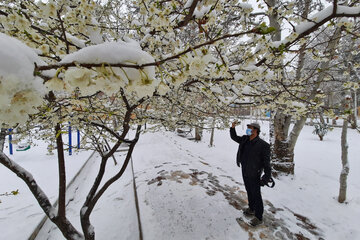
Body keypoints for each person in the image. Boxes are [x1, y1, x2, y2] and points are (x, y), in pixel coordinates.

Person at [230, 121, 271, 226]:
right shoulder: (245, 139)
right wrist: (233, 127)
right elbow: (234, 137)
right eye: (247, 127)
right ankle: (251, 208)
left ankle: (258, 216)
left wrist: (266, 176)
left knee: (256, 194)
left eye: (250, 127)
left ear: (255, 130)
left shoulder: (263, 145)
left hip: (255, 173)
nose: (248, 129)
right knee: (249, 190)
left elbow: (267, 163)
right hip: (245, 170)